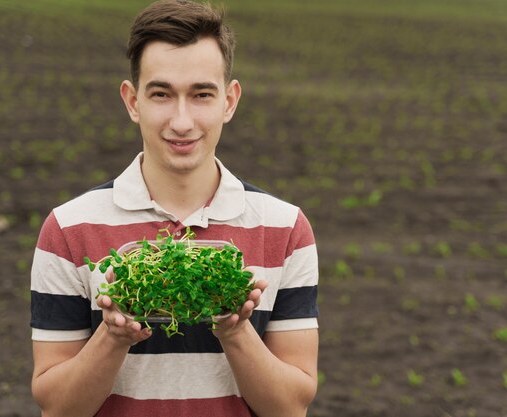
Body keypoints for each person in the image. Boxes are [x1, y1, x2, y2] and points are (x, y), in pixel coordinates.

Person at [29, 1, 319, 416]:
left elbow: (290, 408)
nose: (181, 121)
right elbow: (57, 408)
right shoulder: (69, 228)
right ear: (132, 102)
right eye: (161, 94)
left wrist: (236, 330)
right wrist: (113, 336)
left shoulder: (286, 228)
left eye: (201, 94)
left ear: (229, 101)